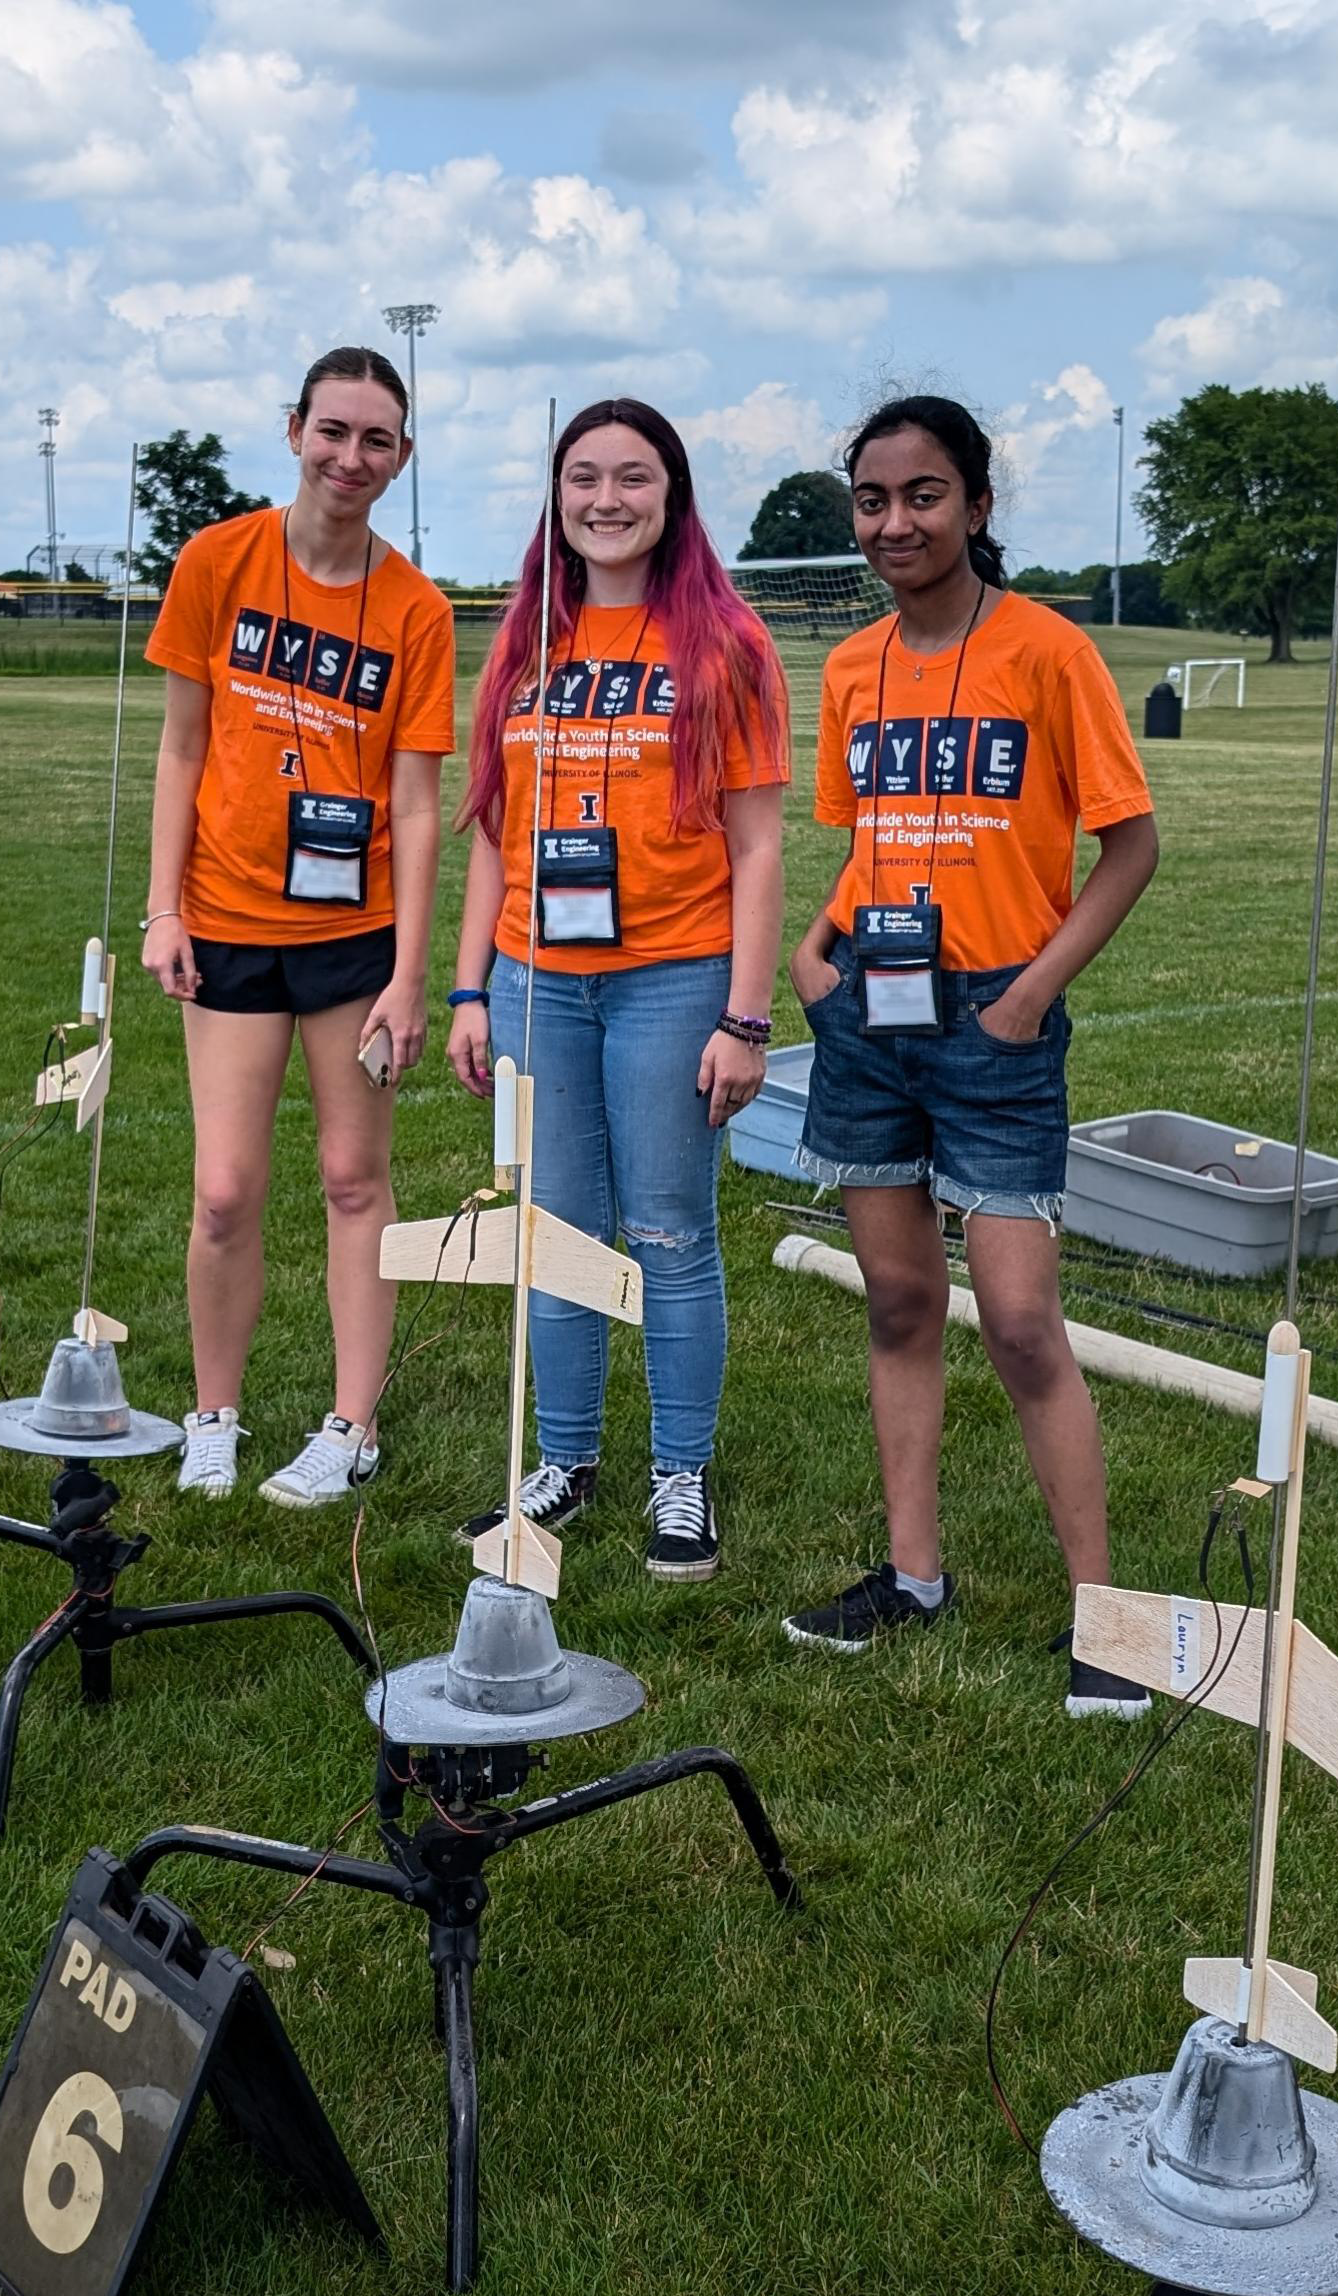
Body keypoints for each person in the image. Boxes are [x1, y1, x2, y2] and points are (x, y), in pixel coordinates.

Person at [782, 393, 1161, 1718]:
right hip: (869, 1015)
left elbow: (1129, 846)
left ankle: (1106, 1619)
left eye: (923, 495)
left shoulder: (1046, 651)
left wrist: (1027, 997)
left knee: (1016, 1320)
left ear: (978, 506)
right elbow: (874, 837)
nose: (896, 521)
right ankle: (912, 1571)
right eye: (874, 500)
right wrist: (813, 946)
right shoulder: (849, 670)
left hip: (998, 1020)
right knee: (895, 1302)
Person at [447, 397, 788, 1581]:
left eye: (632, 477)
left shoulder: (723, 643)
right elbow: (491, 827)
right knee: (558, 1231)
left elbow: (756, 847)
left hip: (670, 978)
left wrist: (746, 1017)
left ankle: (680, 1472)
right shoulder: (523, 639)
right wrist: (468, 988)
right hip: (540, 981)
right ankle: (567, 1458)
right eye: (583, 476)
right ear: (556, 495)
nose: (606, 498)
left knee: (671, 1230)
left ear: (672, 493)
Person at [141, 345, 454, 1505]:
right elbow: (182, 746)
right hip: (225, 922)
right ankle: (213, 1413)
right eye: (334, 431)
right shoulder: (218, 561)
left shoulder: (415, 610)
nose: (351, 457)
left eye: (377, 439)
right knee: (223, 1189)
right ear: (294, 431)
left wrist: (410, 973)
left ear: (402, 456)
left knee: (350, 1179)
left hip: (351, 937)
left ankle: (350, 1424)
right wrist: (164, 906)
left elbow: (418, 805)